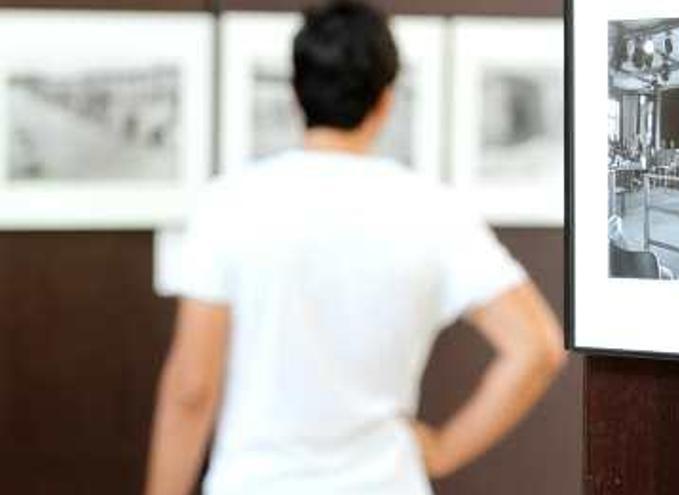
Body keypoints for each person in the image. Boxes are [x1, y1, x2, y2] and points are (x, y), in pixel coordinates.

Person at [144, 2, 565, 494]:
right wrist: (443, 449)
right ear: (385, 101)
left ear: (296, 96)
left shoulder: (228, 205)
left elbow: (192, 391)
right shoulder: (433, 210)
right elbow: (537, 348)